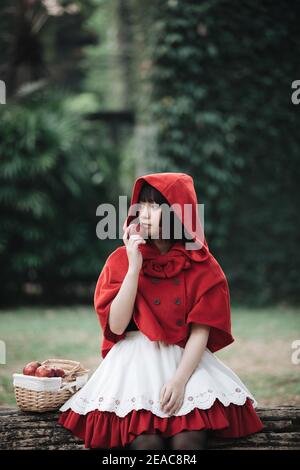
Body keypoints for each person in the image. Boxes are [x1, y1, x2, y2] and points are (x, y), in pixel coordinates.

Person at [57, 172, 264, 450]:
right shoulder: (120, 260)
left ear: (177, 213)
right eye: (141, 205)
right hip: (134, 365)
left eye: (154, 206)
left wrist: (179, 382)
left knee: (188, 441)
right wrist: (134, 266)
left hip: (185, 363)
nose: (143, 213)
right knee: (146, 443)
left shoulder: (203, 265)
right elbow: (116, 326)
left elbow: (200, 332)